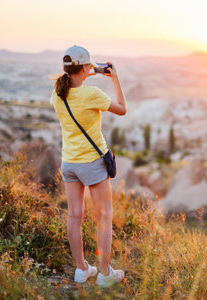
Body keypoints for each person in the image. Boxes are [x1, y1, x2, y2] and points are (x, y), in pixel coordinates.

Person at [50, 45, 127, 286]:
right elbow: (122, 109)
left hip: (69, 163)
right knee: (103, 216)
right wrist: (115, 79)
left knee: (74, 216)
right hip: (92, 164)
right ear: (85, 67)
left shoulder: (57, 94)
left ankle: (82, 269)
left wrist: (83, 74)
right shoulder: (92, 94)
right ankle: (104, 274)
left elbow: (72, 87)